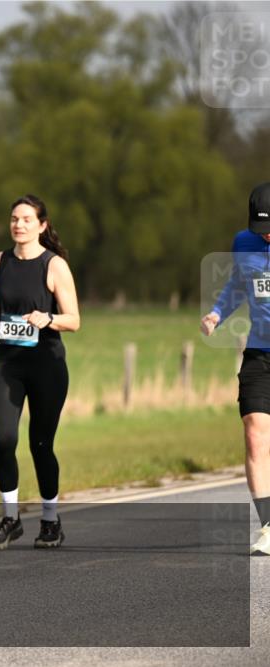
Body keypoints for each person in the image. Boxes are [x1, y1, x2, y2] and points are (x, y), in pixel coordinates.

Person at [0, 195, 80, 550]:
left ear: (42, 225)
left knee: (40, 444)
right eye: (14, 219)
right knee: (3, 439)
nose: (18, 225)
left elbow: (74, 320)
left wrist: (48, 318)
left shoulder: (54, 266)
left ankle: (50, 520)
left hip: (46, 365)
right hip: (6, 364)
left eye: (26, 219)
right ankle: (11, 519)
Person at [200, 182, 270, 555]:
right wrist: (217, 313)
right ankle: (269, 525)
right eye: (262, 229)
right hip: (260, 352)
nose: (266, 236)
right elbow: (238, 285)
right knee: (255, 434)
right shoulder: (244, 243)